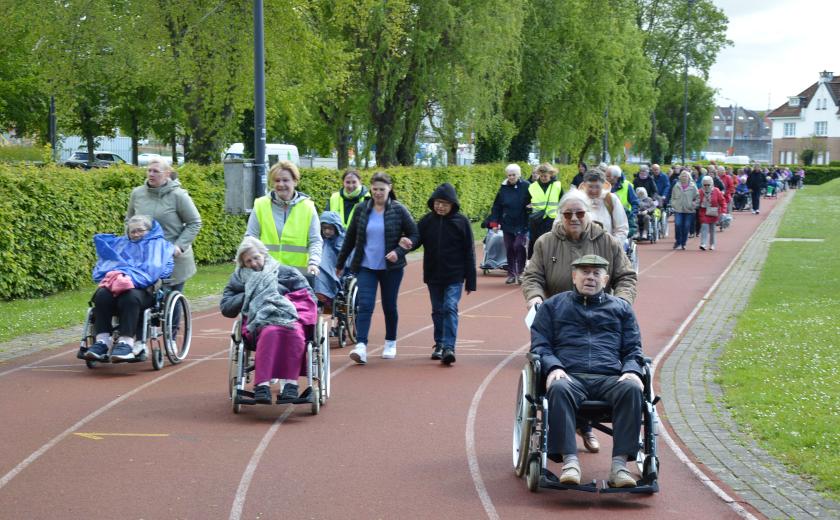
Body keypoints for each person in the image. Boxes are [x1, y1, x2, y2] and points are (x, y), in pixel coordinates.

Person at [530, 254, 645, 488]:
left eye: (596, 273)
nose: (590, 277)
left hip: (610, 376)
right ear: (574, 276)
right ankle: (570, 463)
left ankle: (619, 467)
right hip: (569, 375)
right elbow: (540, 346)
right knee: (558, 387)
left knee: (632, 388)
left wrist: (632, 370)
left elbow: (634, 348)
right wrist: (553, 367)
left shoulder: (621, 309)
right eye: (584, 272)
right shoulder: (553, 306)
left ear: (605, 279)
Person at [220, 237, 317, 403]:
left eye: (256, 257)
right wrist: (250, 295)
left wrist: (286, 301)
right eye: (248, 261)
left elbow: (310, 298)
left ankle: (290, 385)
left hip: (288, 317)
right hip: (258, 322)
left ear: (264, 254)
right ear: (242, 263)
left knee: (294, 332)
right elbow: (226, 307)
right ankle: (262, 386)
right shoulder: (238, 278)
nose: (254, 263)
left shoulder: (287, 272)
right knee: (270, 332)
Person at [336, 172, 419, 364]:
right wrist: (340, 263)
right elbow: (350, 238)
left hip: (391, 268)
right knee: (365, 304)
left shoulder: (398, 209)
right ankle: (361, 346)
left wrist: (399, 251)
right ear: (370, 189)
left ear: (390, 189)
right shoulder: (361, 209)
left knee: (389, 305)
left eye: (382, 189)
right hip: (366, 266)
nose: (378, 193)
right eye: (375, 189)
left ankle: (390, 342)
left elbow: (415, 235)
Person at [81, 216, 175, 362]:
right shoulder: (121, 244)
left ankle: (126, 343)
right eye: (133, 231)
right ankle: (102, 341)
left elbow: (163, 270)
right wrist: (120, 274)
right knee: (101, 295)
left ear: (149, 231)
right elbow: (108, 263)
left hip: (144, 290)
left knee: (130, 297)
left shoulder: (161, 246)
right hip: (117, 285)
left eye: (140, 230)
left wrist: (134, 276)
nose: (136, 234)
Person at [412, 183, 477, 366]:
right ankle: (439, 344)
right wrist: (405, 244)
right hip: (433, 274)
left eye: (444, 204)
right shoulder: (427, 221)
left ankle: (449, 347)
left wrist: (471, 280)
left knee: (449, 307)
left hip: (454, 275)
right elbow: (416, 240)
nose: (440, 206)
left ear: (452, 204)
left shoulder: (461, 222)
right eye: (437, 203)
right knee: (437, 310)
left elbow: (469, 251)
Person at [126, 159, 202, 295]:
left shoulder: (178, 195)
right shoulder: (137, 193)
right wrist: (129, 239)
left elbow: (194, 222)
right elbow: (129, 220)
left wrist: (179, 246)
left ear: (167, 174)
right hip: (142, 258)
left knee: (167, 298)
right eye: (149, 170)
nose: (151, 174)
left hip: (171, 258)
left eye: (156, 171)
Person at [247, 161, 322, 275]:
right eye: (277, 180)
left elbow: (315, 240)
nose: (281, 184)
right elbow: (251, 237)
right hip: (267, 274)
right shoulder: (260, 205)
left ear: (295, 181)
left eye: (285, 180)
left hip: (298, 276)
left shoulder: (308, 208)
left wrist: (314, 262)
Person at [488, 164, 531, 284]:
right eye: (509, 175)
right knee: (509, 248)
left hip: (522, 222)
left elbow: (534, 199)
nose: (511, 177)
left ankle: (521, 272)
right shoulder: (503, 188)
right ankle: (511, 274)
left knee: (518, 246)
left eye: (514, 175)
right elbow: (496, 206)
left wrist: (532, 205)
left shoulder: (527, 186)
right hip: (507, 223)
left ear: (519, 175)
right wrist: (494, 223)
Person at [577, 169, 628, 244]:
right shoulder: (576, 200)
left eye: (597, 187)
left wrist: (613, 246)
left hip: (607, 247)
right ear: (584, 185)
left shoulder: (610, 199)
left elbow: (621, 228)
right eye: (590, 187)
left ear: (603, 185)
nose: (594, 190)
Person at [527, 163, 564, 258]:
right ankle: (533, 262)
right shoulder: (532, 186)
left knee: (550, 244)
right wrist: (528, 208)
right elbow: (526, 200)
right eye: (541, 176)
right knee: (535, 243)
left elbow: (563, 201)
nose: (543, 178)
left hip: (551, 220)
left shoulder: (557, 185)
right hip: (536, 220)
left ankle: (550, 262)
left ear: (551, 174)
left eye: (545, 176)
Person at [314, 211, 346, 310]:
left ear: (337, 228)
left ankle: (324, 293)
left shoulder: (342, 240)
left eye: (330, 228)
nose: (327, 231)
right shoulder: (320, 240)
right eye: (324, 228)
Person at [606, 165, 639, 238]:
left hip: (625, 217)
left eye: (608, 176)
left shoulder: (627, 185)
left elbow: (635, 202)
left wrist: (633, 215)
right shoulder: (603, 185)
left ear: (616, 177)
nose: (606, 178)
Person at [669, 171, 699, 250]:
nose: (684, 177)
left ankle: (683, 243)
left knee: (686, 226)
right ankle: (678, 242)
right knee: (678, 224)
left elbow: (697, 197)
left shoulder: (693, 186)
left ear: (689, 177)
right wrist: (674, 204)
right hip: (678, 209)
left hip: (689, 210)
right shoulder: (676, 186)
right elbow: (673, 196)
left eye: (685, 176)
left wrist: (694, 205)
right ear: (680, 177)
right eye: (682, 176)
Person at [697, 176, 725, 251]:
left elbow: (722, 202)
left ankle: (712, 244)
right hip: (703, 212)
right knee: (704, 227)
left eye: (708, 185)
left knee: (712, 229)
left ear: (711, 184)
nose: (706, 186)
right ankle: (703, 243)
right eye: (705, 185)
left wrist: (723, 212)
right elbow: (696, 201)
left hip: (713, 212)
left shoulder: (716, 191)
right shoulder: (700, 191)